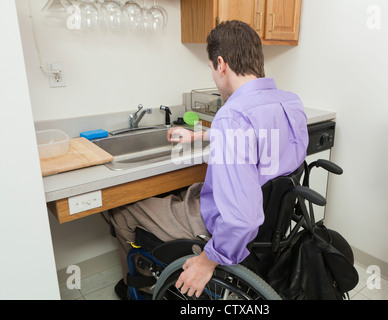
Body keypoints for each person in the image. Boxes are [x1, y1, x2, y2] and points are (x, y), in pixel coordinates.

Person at [110, 20, 308, 299]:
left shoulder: (232, 115)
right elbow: (257, 138)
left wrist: (207, 261)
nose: (214, 78)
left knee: (121, 209)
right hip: (271, 225)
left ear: (221, 64)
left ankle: (142, 288)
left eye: (212, 71)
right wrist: (200, 136)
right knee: (184, 191)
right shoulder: (289, 102)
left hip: (223, 224)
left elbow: (244, 220)